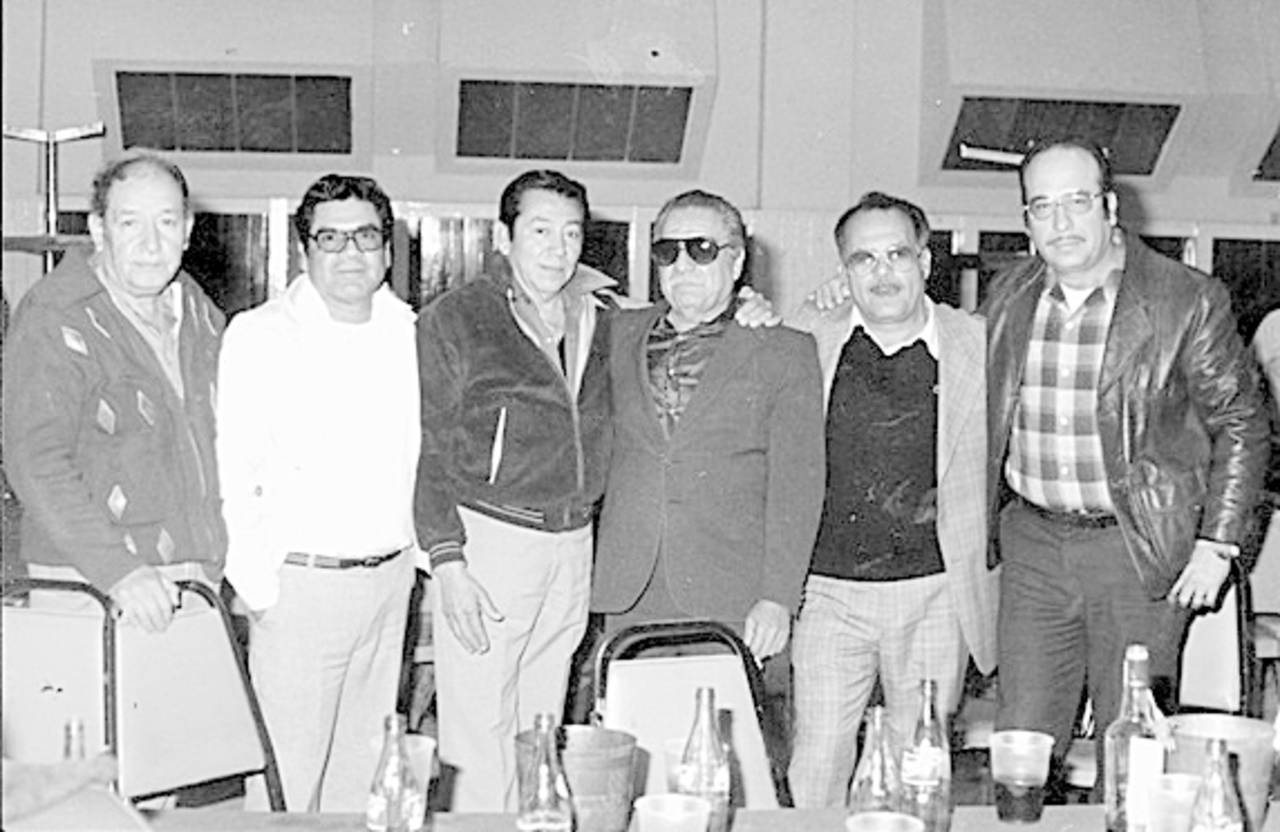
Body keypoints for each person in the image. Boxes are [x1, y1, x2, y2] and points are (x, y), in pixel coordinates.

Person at [984, 136, 1268, 786]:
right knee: (1021, 747)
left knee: (1132, 753)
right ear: (1026, 220)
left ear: (1110, 207)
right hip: (1032, 548)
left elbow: (1242, 422)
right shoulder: (1009, 294)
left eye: (1077, 201)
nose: (1060, 222)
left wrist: (1217, 543)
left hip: (1137, 549)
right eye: (1042, 206)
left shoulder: (1184, 298)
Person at [785, 192, 996, 807]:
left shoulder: (980, 344)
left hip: (937, 594)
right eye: (864, 259)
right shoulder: (805, 338)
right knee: (817, 764)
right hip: (828, 594)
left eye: (897, 255)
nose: (882, 273)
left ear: (925, 262)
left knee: (917, 770)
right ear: (844, 271)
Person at [217, 174, 420, 811]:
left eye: (366, 236)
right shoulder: (261, 334)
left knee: (363, 783)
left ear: (388, 248)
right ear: (305, 250)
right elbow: (234, 466)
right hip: (301, 590)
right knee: (287, 787)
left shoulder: (410, 332)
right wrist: (259, 588)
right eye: (331, 238)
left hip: (389, 587)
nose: (350, 253)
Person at [415, 169, 613, 813]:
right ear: (504, 236)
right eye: (540, 231)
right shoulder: (456, 318)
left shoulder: (599, 314)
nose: (558, 249)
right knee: (479, 731)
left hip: (572, 542)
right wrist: (447, 560)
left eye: (571, 233)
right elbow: (427, 446)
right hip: (492, 540)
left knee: (540, 728)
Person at [591, 188, 825, 663]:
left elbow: (797, 487)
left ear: (736, 262)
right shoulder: (613, 333)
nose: (682, 265)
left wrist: (778, 597)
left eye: (701, 249)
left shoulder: (785, 350)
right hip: (630, 592)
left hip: (733, 596)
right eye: (667, 251)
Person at [4, 151, 225, 630]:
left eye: (166, 222)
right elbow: (34, 459)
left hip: (195, 580)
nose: (151, 244)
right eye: (130, 223)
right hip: (94, 584)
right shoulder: (54, 315)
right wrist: (118, 570)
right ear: (99, 229)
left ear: (188, 230)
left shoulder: (202, 314)